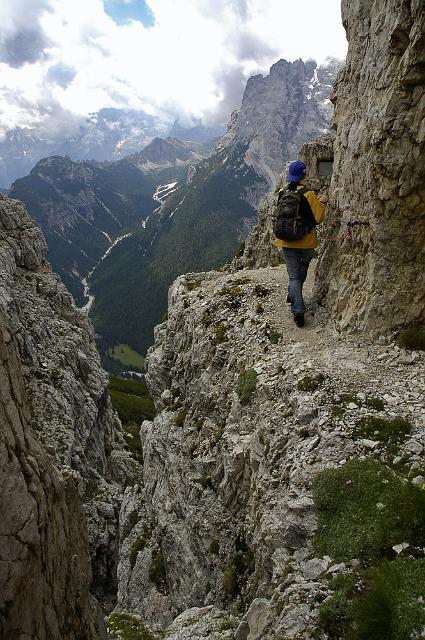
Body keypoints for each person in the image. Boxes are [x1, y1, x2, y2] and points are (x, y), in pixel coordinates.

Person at [275, 159, 328, 327]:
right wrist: (322, 202)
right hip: (306, 243)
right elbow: (318, 218)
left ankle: (293, 295)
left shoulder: (282, 192)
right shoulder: (308, 194)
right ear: (303, 176)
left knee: (293, 277)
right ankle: (298, 311)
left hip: (286, 241)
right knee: (301, 273)